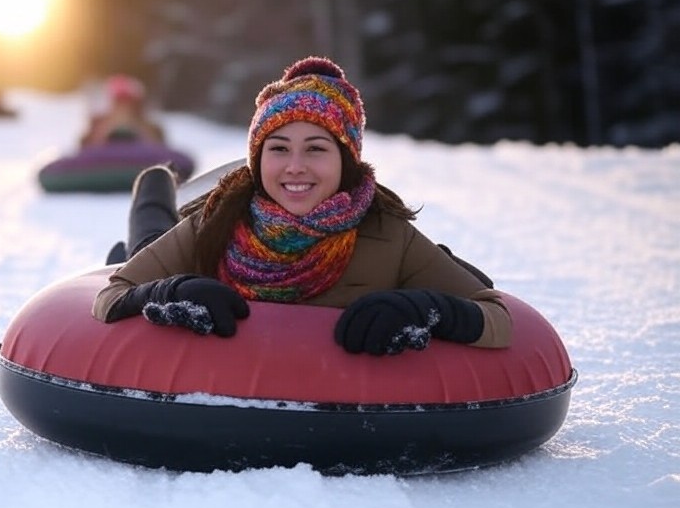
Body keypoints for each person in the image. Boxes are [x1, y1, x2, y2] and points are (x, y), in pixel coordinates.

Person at [92, 56, 511, 356]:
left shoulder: (387, 235)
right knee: (146, 242)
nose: (295, 167)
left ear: (345, 159)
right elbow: (112, 296)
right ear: (258, 159)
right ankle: (153, 185)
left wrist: (427, 308)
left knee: (456, 272)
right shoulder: (217, 220)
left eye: (316, 148)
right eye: (278, 149)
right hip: (186, 231)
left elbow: (499, 317)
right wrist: (170, 289)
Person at [79, 74, 166, 147]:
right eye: (118, 102)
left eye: (128, 103)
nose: (123, 109)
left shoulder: (154, 131)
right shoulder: (94, 129)